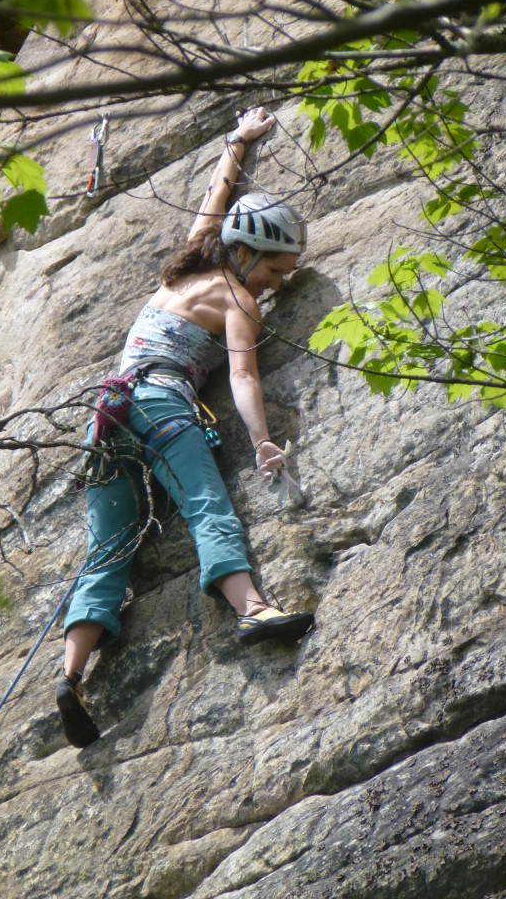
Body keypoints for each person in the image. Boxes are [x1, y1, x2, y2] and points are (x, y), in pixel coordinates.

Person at [57, 106, 315, 748]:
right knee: (206, 504)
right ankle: (253, 610)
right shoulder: (238, 298)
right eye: (276, 269)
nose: (280, 282)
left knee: (110, 546)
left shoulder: (184, 267)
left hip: (107, 412)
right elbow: (243, 376)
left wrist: (239, 140)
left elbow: (214, 196)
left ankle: (71, 675)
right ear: (247, 252)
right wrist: (260, 440)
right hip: (161, 405)